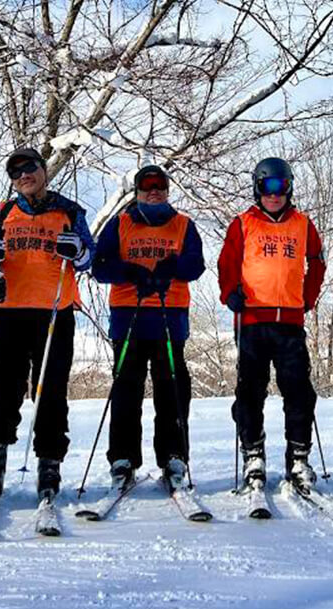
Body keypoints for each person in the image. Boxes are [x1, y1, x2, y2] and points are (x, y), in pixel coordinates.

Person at [0, 148, 95, 503]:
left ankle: (49, 463)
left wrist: (79, 251)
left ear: (43, 170)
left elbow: (90, 257)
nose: (23, 175)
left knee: (51, 392)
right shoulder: (3, 212)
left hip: (55, 313)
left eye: (29, 167)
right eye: (15, 172)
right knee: (3, 389)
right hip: (9, 312)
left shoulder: (70, 211)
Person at [92, 165, 205, 489]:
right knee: (126, 389)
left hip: (170, 317)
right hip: (129, 316)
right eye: (147, 186)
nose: (153, 191)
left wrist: (172, 267)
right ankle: (123, 458)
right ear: (137, 191)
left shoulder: (183, 224)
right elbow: (100, 267)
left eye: (159, 185)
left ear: (167, 190)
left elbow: (196, 265)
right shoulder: (120, 223)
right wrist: (130, 271)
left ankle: (173, 455)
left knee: (172, 389)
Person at [218, 157, 326, 492]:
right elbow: (227, 263)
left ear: (289, 188)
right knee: (250, 391)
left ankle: (298, 457)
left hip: (289, 321)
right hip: (252, 320)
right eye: (267, 187)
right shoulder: (243, 223)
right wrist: (230, 292)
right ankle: (253, 454)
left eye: (281, 187)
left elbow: (317, 262)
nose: (274, 195)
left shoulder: (303, 224)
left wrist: (308, 297)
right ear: (257, 188)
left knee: (299, 391)